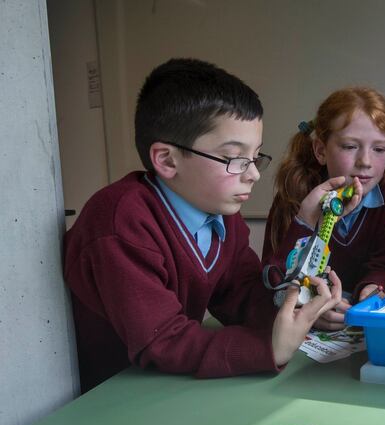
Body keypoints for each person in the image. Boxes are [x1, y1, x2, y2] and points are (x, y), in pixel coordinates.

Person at [64, 58, 343, 393]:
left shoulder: (220, 213)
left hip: (169, 385)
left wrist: (300, 307)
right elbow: (163, 340)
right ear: (167, 160)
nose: (253, 173)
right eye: (234, 159)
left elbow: (242, 298)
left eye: (255, 156)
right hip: (109, 398)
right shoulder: (120, 222)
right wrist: (268, 348)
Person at [262, 87, 385, 330]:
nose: (365, 161)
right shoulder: (294, 193)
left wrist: (373, 290)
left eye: (379, 149)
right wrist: (306, 308)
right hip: (302, 331)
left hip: (362, 324)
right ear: (321, 150)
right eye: (350, 146)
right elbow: (274, 280)